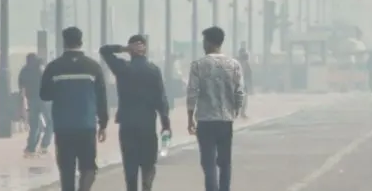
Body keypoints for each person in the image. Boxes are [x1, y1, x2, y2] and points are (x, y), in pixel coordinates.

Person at [41, 27, 109, 191]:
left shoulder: (53, 67)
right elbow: (102, 97)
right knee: (88, 167)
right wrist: (103, 123)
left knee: (66, 170)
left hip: (63, 127)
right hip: (86, 126)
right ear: (81, 41)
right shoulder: (93, 67)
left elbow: (44, 94)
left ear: (64, 42)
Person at [100, 35, 171, 191]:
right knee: (148, 162)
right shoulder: (153, 70)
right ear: (145, 49)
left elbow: (104, 51)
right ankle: (147, 186)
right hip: (147, 124)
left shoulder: (122, 68)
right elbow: (161, 99)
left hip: (127, 124)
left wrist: (124, 49)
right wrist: (166, 124)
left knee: (130, 164)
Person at [188, 26, 245, 191]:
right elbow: (240, 91)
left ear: (208, 42)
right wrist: (236, 110)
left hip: (205, 120)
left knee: (209, 163)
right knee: (225, 162)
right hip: (225, 120)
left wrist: (189, 117)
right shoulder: (234, 64)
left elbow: (192, 92)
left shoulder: (198, 65)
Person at [19, 52, 53, 157]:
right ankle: (44, 145)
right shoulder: (41, 69)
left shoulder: (24, 71)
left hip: (32, 100)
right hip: (44, 100)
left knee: (34, 125)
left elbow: (22, 89)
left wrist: (23, 103)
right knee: (51, 122)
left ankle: (31, 147)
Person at [236, 43, 252, 117]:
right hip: (237, 82)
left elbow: (249, 74)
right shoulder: (236, 61)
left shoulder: (246, 63)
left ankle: (242, 113)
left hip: (243, 83)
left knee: (244, 98)